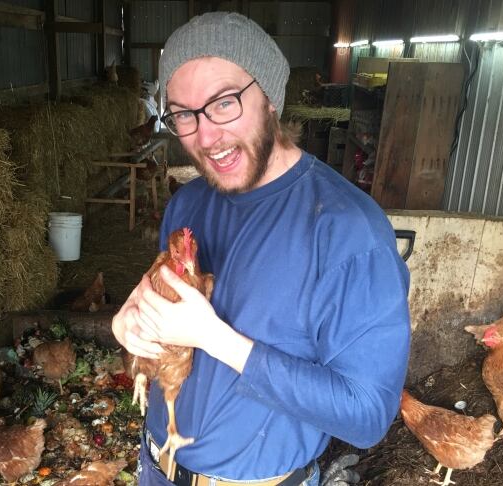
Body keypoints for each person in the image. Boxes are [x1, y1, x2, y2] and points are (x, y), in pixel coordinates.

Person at [111, 11, 411, 486]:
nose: (205, 137)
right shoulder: (188, 202)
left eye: (224, 103)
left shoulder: (349, 232)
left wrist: (217, 338)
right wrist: (129, 317)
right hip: (156, 469)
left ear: (269, 96)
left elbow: (367, 416)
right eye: (183, 114)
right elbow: (162, 304)